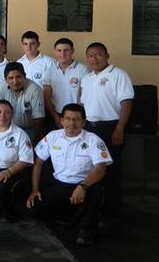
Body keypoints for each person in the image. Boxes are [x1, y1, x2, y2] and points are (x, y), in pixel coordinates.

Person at [27, 104, 112, 245]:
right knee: (34, 209)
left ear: (84, 122)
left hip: (84, 184)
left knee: (96, 191)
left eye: (77, 119)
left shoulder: (93, 140)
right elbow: (38, 163)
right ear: (62, 121)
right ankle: (70, 215)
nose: (72, 123)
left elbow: (101, 169)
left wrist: (83, 186)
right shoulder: (53, 136)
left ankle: (87, 229)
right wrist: (34, 190)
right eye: (68, 118)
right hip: (59, 183)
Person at [80, 42, 133, 228]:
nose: (94, 58)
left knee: (111, 171)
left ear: (107, 55)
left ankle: (111, 214)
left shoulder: (118, 75)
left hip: (110, 128)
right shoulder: (86, 78)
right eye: (90, 55)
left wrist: (120, 127)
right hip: (90, 129)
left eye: (98, 54)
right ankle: (92, 210)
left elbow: (126, 104)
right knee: (91, 169)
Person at [43, 38, 88, 131]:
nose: (62, 54)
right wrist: (56, 117)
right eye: (59, 50)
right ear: (55, 52)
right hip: (55, 115)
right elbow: (46, 97)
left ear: (72, 51)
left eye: (66, 50)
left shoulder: (82, 69)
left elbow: (86, 96)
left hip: (76, 116)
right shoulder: (49, 70)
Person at [0, 62, 45, 143]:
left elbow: (38, 118)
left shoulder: (35, 89)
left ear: (24, 76)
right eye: (11, 78)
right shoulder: (1, 88)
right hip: (8, 128)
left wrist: (34, 141)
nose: (15, 81)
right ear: (6, 79)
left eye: (18, 77)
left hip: (29, 129)